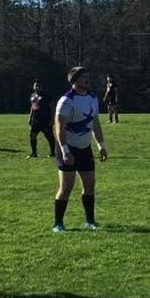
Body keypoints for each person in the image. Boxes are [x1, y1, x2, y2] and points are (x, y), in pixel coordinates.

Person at [53, 67, 108, 232]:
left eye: (88, 76)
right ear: (74, 81)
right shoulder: (66, 101)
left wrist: (101, 146)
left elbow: (95, 124)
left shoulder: (92, 98)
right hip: (68, 149)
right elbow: (59, 128)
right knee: (66, 187)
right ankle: (58, 224)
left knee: (90, 185)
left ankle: (90, 221)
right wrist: (65, 151)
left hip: (85, 149)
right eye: (84, 76)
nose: (88, 78)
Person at [28, 80, 56, 159]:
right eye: (35, 85)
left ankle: (52, 153)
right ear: (33, 87)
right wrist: (30, 117)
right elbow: (32, 107)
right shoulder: (32, 95)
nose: (37, 87)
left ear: (41, 87)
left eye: (39, 86)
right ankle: (34, 153)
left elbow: (52, 107)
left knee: (49, 137)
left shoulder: (46, 96)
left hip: (45, 120)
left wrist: (52, 119)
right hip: (35, 120)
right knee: (32, 135)